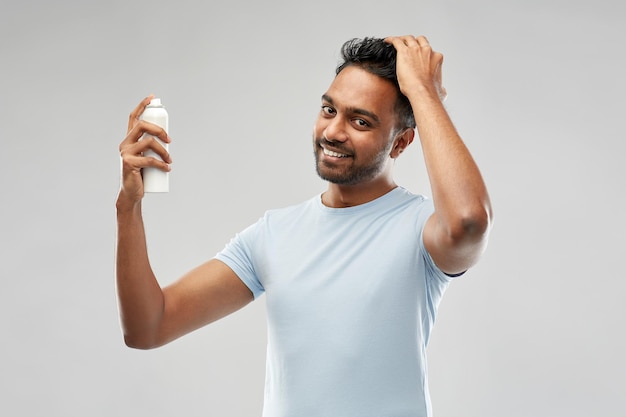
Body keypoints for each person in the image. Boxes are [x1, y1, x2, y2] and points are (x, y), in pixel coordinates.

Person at [116, 35, 493, 417]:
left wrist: (423, 92)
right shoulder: (273, 234)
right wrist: (128, 207)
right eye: (330, 110)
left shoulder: (421, 229)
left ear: (401, 142)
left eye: (360, 121)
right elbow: (148, 326)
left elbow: (468, 221)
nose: (333, 132)